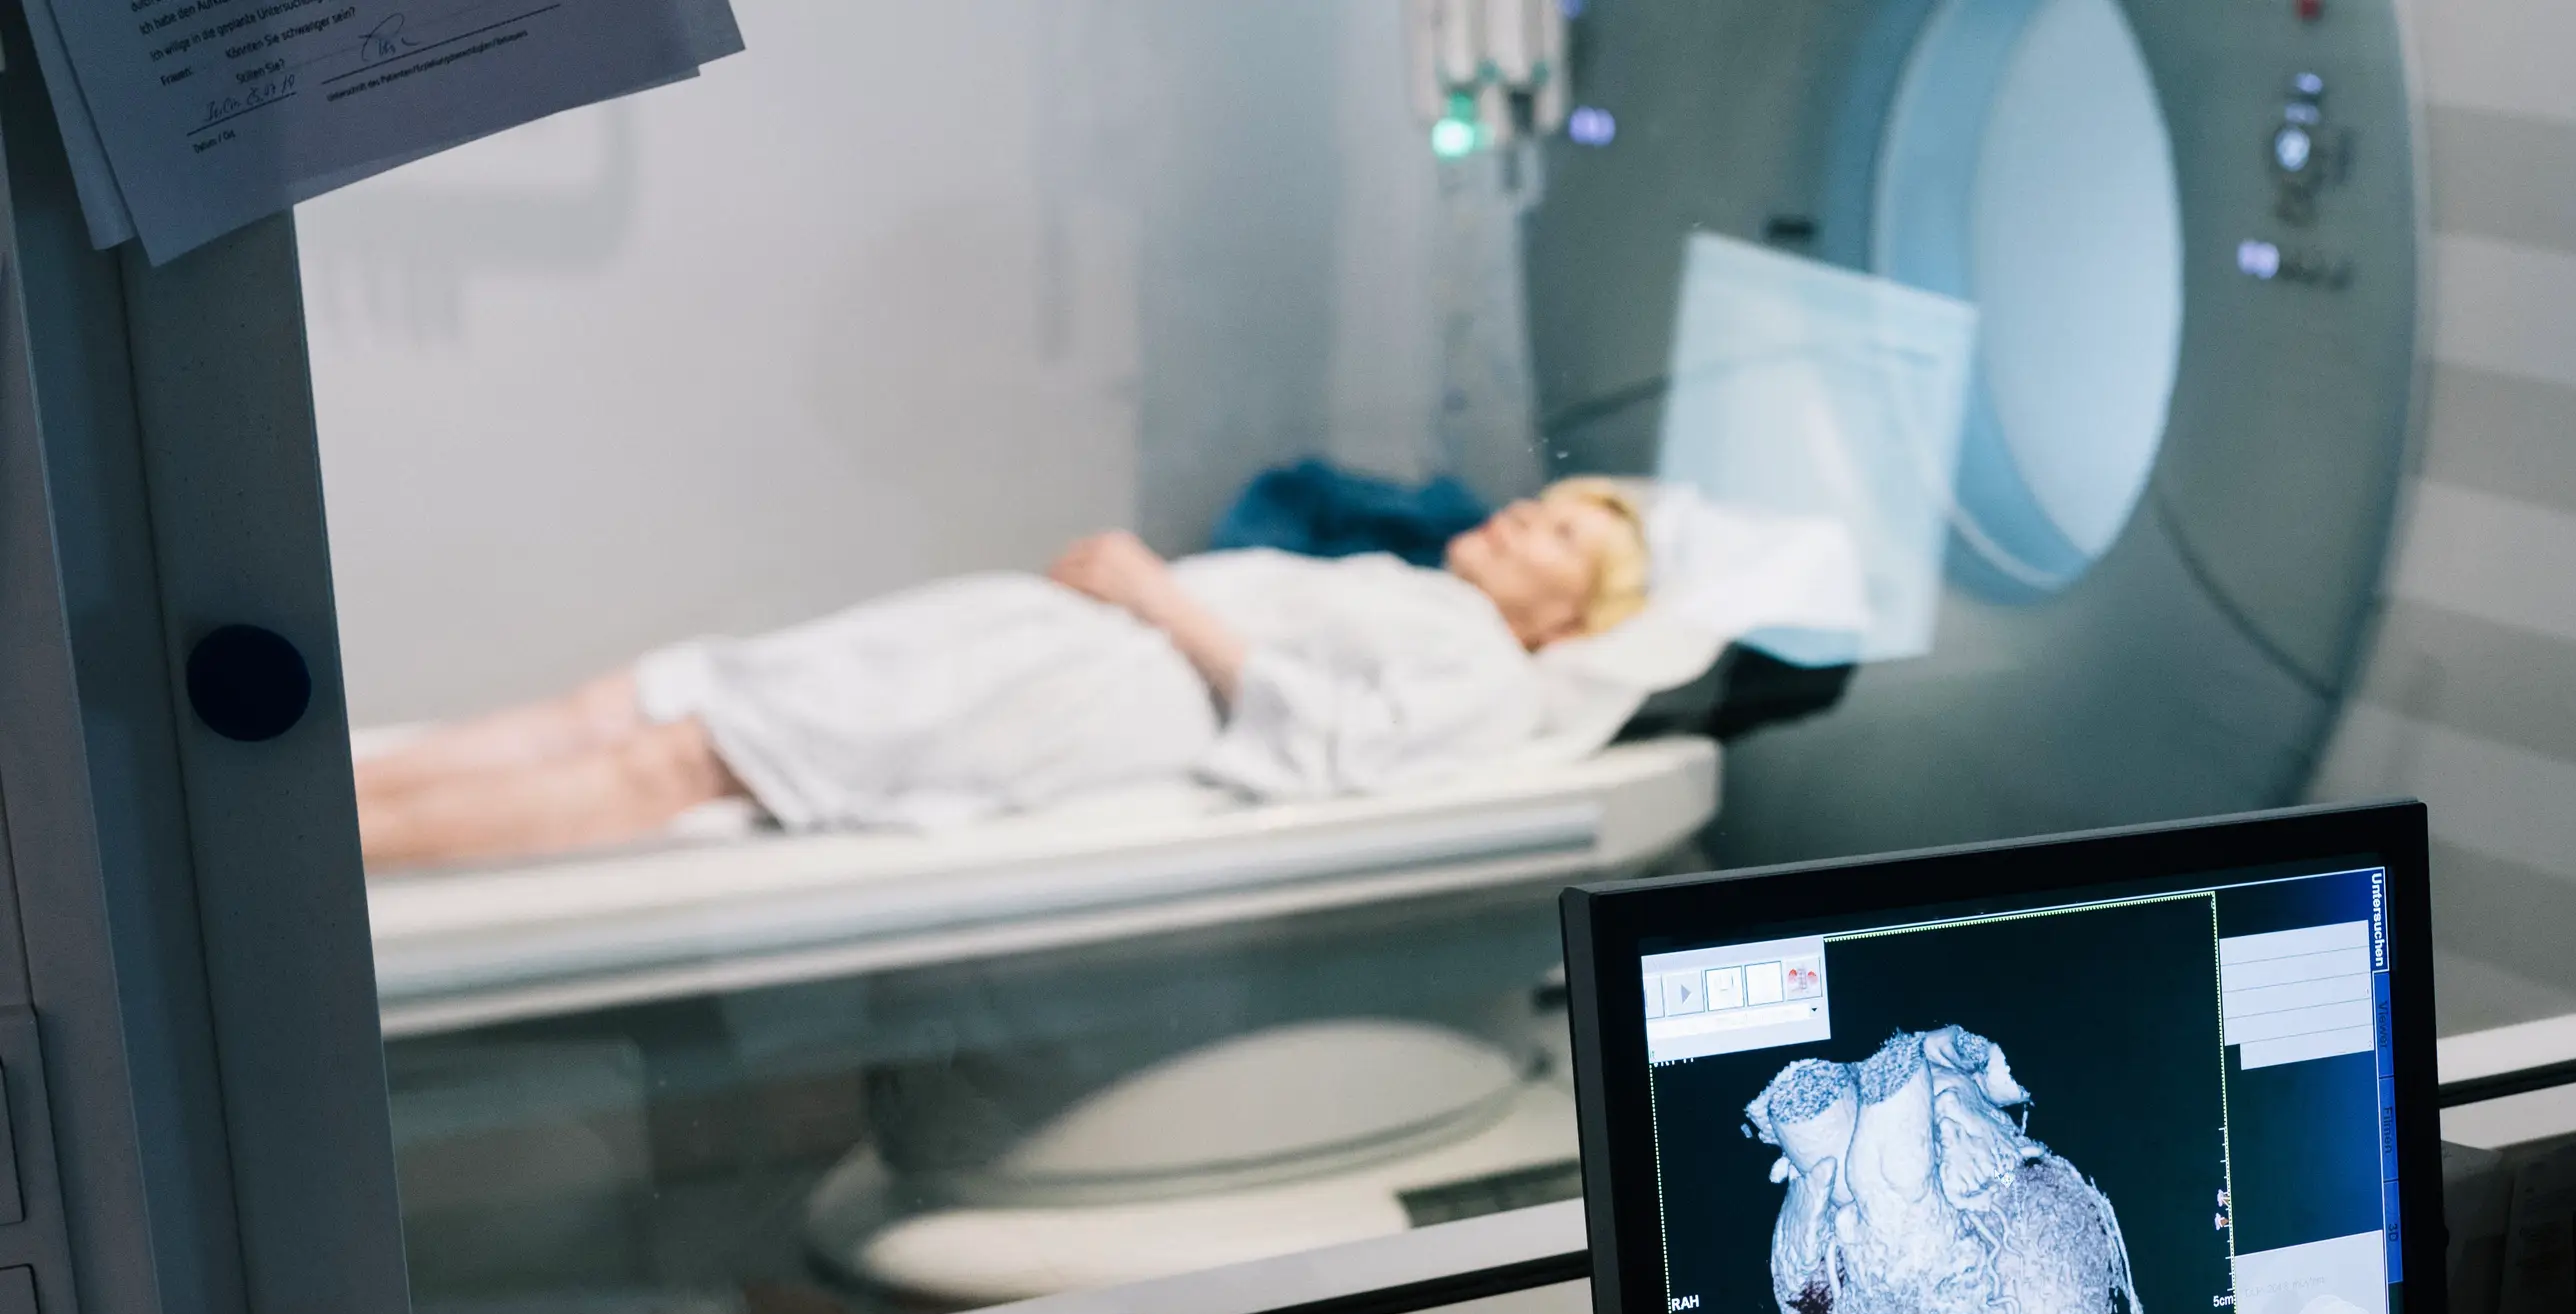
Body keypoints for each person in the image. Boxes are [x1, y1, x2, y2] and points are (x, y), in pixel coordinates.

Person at [352, 480, 1653, 869]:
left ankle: (339, 855)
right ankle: (345, 793)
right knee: (650, 695)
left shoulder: (1486, 671)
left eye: (1561, 538)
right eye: (1545, 504)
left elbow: (1333, 748)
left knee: (689, 756)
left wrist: (1154, 592)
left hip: (1088, 698)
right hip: (1051, 635)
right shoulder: (1413, 587)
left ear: (1571, 624)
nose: (1529, 515)